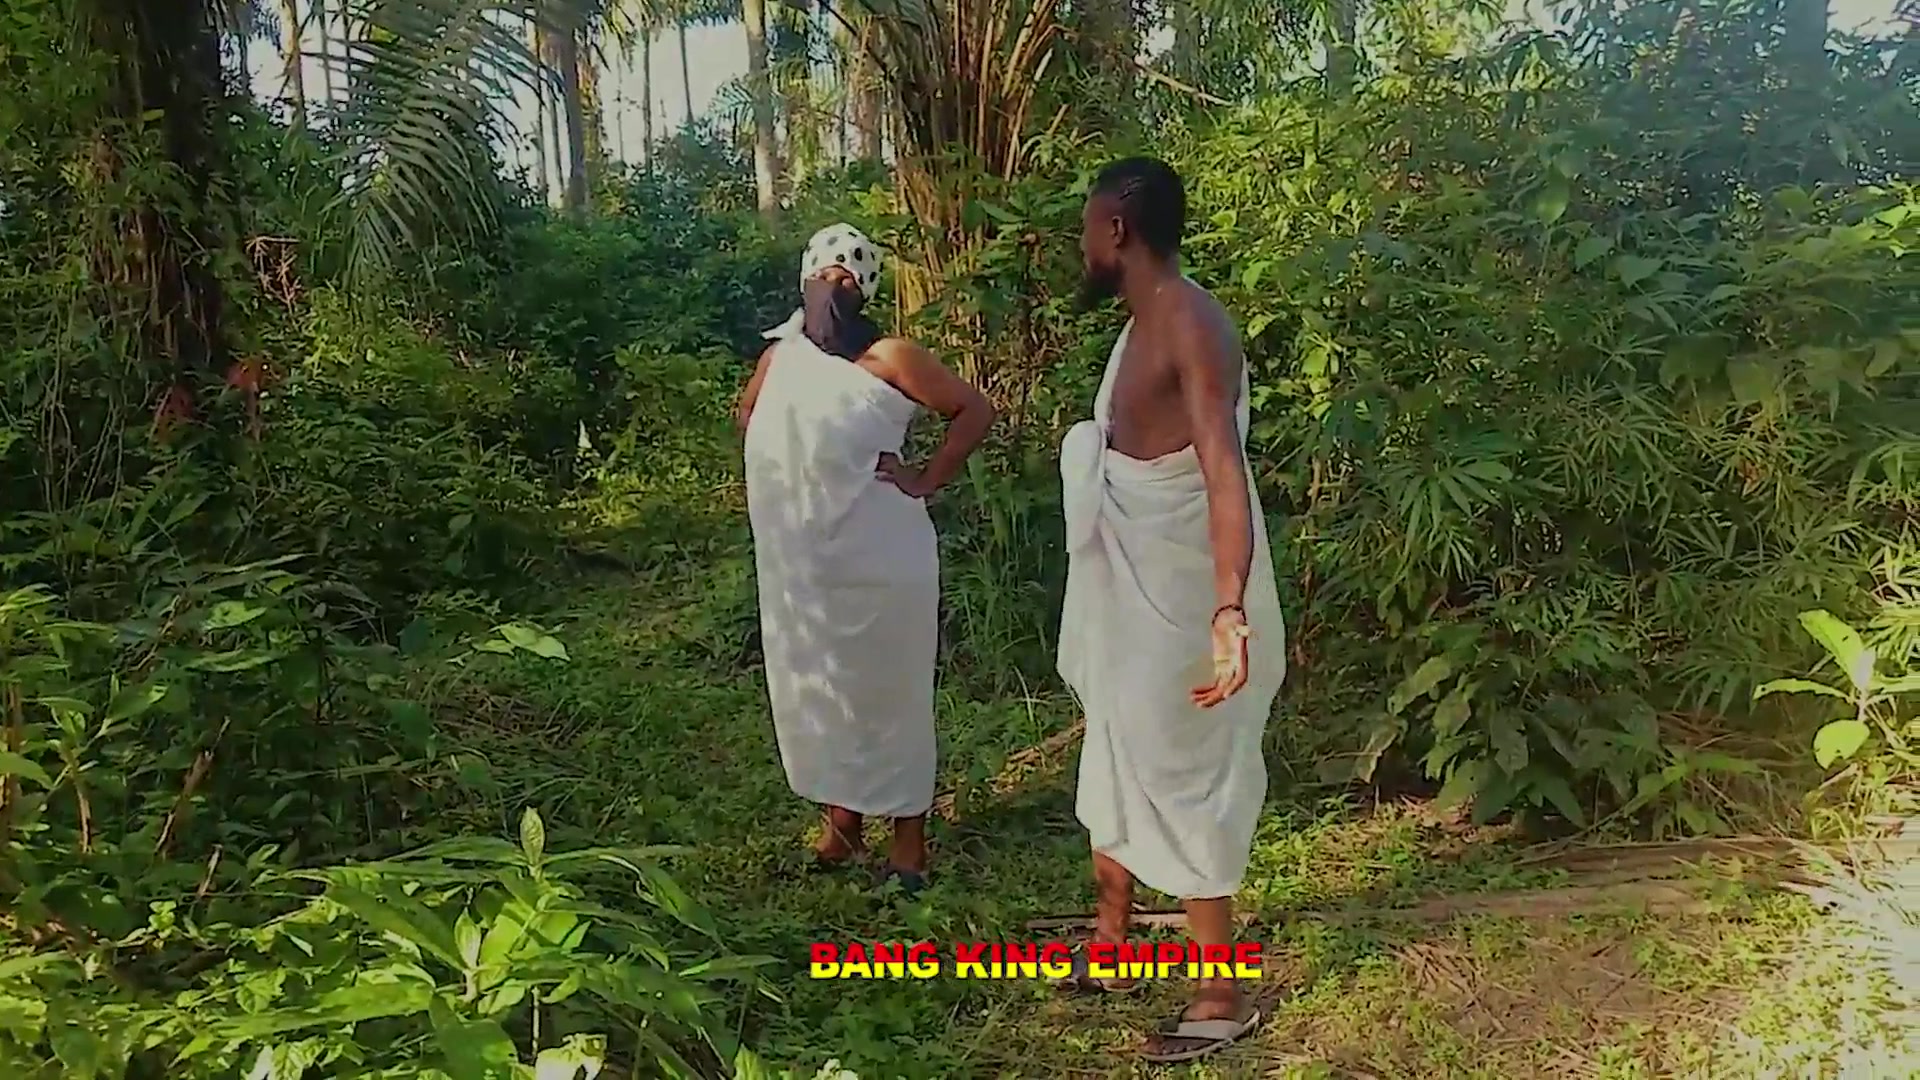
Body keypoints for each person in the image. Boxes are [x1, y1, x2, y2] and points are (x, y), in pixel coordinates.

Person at [1050, 157, 1285, 1063]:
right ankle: (1112, 940)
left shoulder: (1189, 320)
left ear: (1116, 230)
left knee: (1179, 769)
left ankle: (1220, 992)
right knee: (1118, 742)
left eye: (1086, 227)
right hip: (1130, 584)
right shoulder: (1142, 322)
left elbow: (1222, 468)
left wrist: (1227, 609)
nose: (1082, 245)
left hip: (1182, 591)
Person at [736, 223, 994, 893]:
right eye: (823, 277)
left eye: (847, 279)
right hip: (808, 566)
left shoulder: (891, 357)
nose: (833, 288)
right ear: (805, 281)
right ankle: (843, 825)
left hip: (883, 560)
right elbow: (750, 418)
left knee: (889, 695)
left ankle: (909, 842)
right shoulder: (782, 358)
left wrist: (926, 477)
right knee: (824, 690)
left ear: (866, 289)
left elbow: (973, 410)